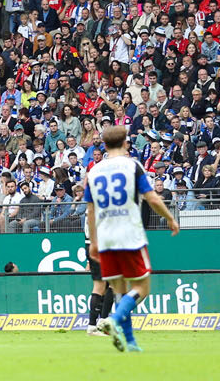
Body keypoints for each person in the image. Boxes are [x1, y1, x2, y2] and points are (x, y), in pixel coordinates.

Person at [86, 125, 180, 353]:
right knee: (142, 287)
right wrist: (170, 218)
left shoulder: (94, 172)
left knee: (119, 290)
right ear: (126, 143)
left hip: (106, 236)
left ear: (104, 146)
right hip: (129, 233)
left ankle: (130, 342)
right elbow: (152, 198)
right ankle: (114, 319)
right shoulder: (132, 166)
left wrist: (94, 242)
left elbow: (90, 210)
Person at [81, 181, 115, 337]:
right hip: (101, 246)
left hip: (91, 245)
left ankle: (94, 324)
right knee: (109, 285)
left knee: (102, 285)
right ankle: (100, 322)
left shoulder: (90, 208)